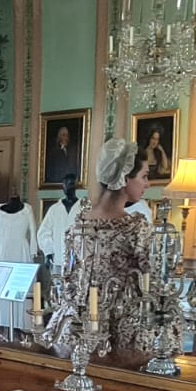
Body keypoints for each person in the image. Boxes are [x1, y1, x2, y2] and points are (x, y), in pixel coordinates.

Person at [44, 138, 167, 368]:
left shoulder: (78, 223)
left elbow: (70, 279)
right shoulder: (136, 226)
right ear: (125, 179)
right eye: (144, 176)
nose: (147, 184)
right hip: (122, 331)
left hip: (76, 324)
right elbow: (150, 283)